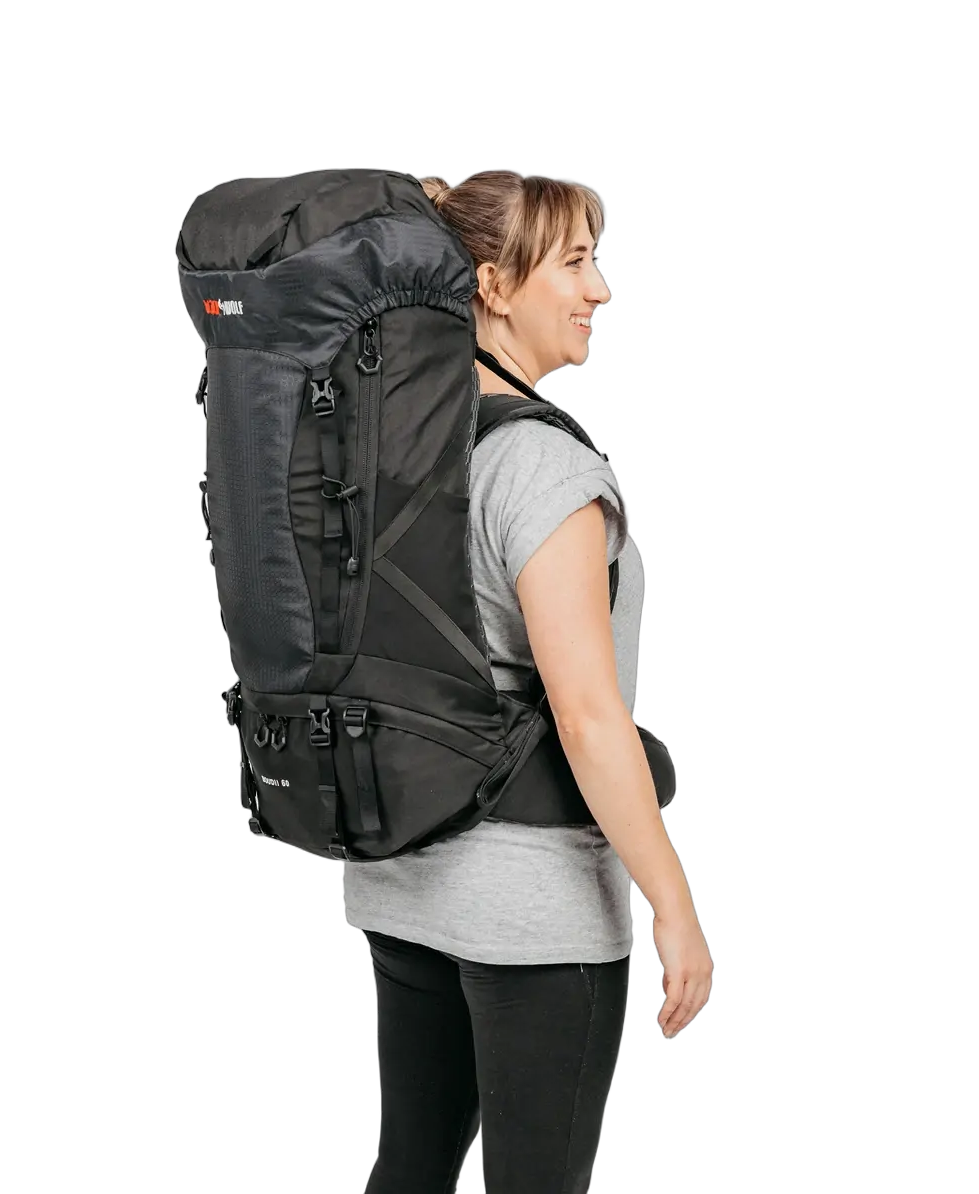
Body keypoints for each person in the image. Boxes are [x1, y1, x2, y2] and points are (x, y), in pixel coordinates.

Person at [345, 171, 714, 1194]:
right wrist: (674, 906)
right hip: (533, 908)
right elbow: (588, 718)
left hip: (399, 874)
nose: (601, 289)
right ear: (494, 286)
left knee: (408, 1170)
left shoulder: (382, 448)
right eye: (577, 263)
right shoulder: (543, 471)